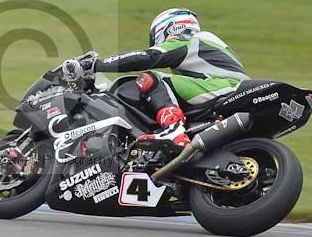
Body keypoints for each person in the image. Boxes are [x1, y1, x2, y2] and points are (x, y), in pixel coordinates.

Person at [88, 8, 248, 148]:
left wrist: (96, 65)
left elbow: (148, 57)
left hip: (225, 87)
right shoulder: (205, 47)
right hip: (228, 90)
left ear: (166, 29)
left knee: (151, 78)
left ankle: (174, 129)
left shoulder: (188, 40)